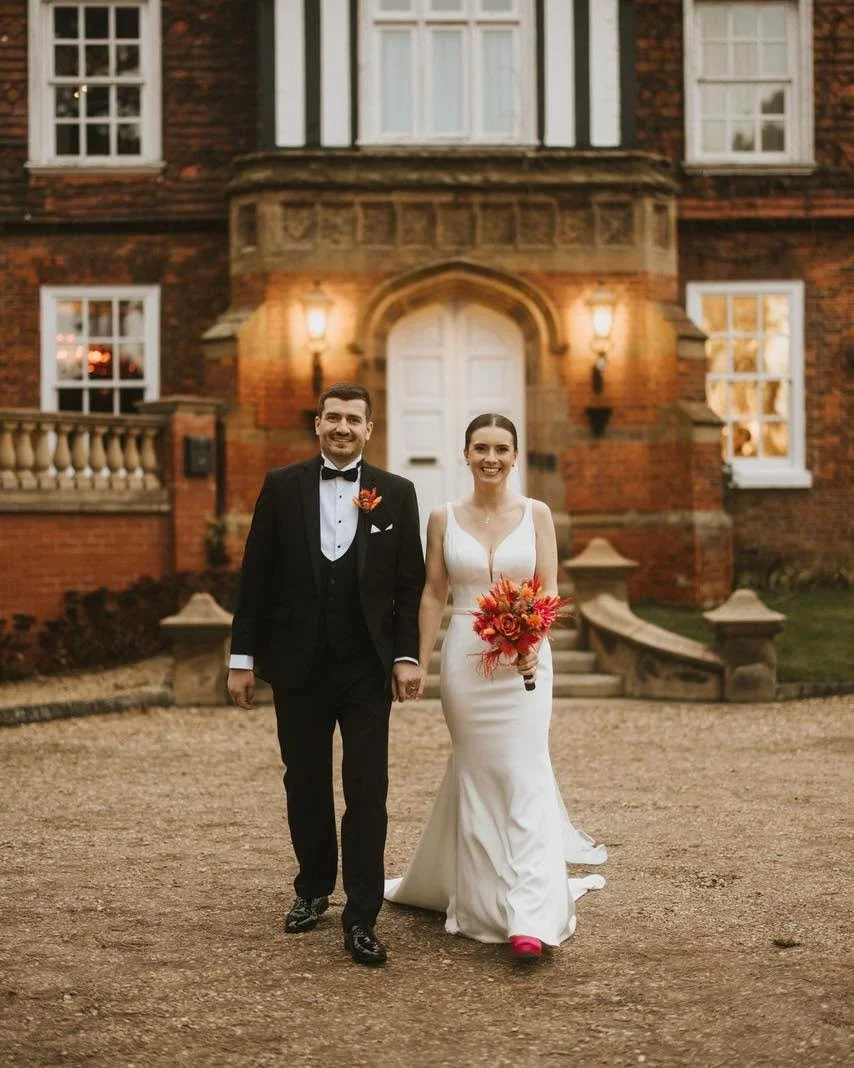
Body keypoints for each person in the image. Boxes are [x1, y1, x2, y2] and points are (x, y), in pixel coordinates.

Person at [385, 413, 606, 961]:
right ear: (465, 454)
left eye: (501, 449)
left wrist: (533, 637)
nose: (491, 458)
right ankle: (485, 904)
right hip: (466, 657)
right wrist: (417, 661)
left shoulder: (537, 514)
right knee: (478, 772)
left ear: (515, 455)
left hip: (525, 661)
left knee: (525, 771)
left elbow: (548, 587)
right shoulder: (442, 517)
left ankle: (530, 913)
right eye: (480, 448)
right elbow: (434, 592)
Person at [227, 383, 425, 967]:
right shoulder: (281, 486)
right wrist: (242, 660)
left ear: (369, 429)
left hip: (366, 669)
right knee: (305, 781)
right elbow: (255, 576)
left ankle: (361, 917)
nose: (342, 427)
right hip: (298, 665)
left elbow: (409, 585)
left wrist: (406, 656)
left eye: (353, 419)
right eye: (332, 417)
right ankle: (313, 887)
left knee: (367, 790)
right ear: (317, 424)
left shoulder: (396, 492)